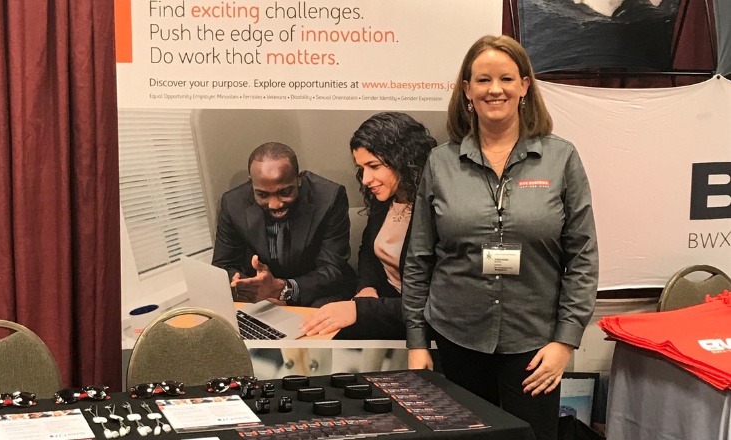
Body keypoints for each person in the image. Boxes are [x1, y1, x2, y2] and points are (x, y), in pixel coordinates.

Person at [403, 35, 598, 440]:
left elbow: (582, 256)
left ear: (524, 86)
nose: (495, 89)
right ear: (467, 90)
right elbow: (419, 257)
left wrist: (566, 341)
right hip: (457, 339)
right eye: (483, 80)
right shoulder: (441, 163)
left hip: (534, 344)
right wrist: (417, 342)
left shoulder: (561, 158)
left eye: (507, 78)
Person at [300, 112, 436, 339]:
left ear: (403, 160)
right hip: (385, 302)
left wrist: (362, 310)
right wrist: (366, 288)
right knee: (318, 317)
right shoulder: (384, 199)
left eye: (374, 166)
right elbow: (369, 253)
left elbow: (435, 305)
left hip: (419, 319)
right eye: (362, 168)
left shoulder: (437, 209)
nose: (365, 179)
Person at [212, 142, 356, 308]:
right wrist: (251, 286)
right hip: (261, 301)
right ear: (252, 183)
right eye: (262, 194)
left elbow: (332, 269)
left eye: (285, 192)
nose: (275, 204)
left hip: (317, 295)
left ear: (298, 179)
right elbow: (223, 266)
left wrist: (283, 289)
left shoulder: (329, 197)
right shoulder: (232, 203)